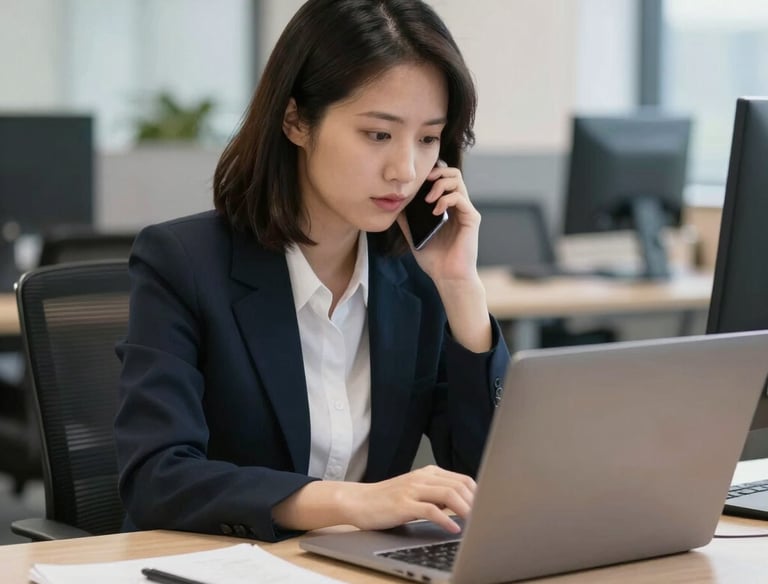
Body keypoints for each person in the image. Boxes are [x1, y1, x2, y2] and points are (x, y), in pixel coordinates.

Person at [114, 0, 510, 543]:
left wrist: (461, 289)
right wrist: (352, 501)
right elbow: (157, 478)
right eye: (377, 134)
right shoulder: (182, 263)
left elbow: (494, 480)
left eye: (427, 139)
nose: (406, 170)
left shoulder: (416, 277)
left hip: (360, 571)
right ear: (297, 120)